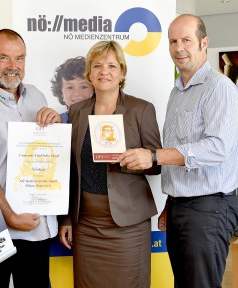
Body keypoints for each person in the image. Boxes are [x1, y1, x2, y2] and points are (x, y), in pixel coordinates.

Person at [118, 14, 238, 288]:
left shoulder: (219, 88)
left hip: (210, 208)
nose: (178, 47)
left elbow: (217, 148)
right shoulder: (178, 91)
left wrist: (154, 156)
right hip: (182, 206)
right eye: (173, 41)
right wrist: (171, 204)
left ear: (204, 43)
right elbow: (184, 149)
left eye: (186, 40)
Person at [0, 28, 62, 288]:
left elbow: (47, 153)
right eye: (4, 58)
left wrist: (55, 124)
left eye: (20, 58)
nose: (13, 66)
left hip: (35, 227)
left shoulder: (37, 96)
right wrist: (12, 218)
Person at [58, 40, 162, 288]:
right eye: (97, 65)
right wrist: (66, 219)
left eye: (112, 66)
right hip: (86, 224)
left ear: (122, 73)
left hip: (127, 225)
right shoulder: (77, 112)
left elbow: (157, 164)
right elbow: (69, 169)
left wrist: (138, 160)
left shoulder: (141, 110)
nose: (104, 71)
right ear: (90, 73)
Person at [51, 56, 94, 122]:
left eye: (84, 87)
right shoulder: (56, 123)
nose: (77, 93)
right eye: (70, 87)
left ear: (94, 90)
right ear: (61, 92)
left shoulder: (105, 122)